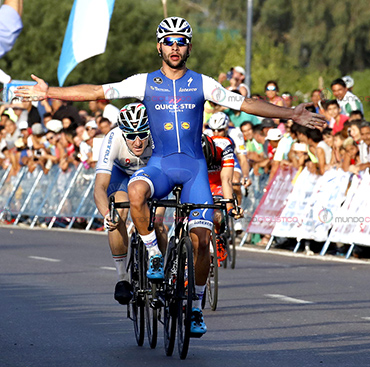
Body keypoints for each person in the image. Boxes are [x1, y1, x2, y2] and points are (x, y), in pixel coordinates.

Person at [15, 16, 325, 336]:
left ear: (188, 47)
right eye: (169, 41)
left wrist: (291, 113)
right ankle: (152, 254)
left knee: (202, 242)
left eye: (180, 42)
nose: (174, 47)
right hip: (160, 165)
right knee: (135, 193)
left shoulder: (203, 83)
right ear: (159, 46)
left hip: (194, 171)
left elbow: (245, 102)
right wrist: (51, 91)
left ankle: (194, 308)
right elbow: (96, 90)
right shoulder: (143, 82)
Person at [94, 102, 166, 305]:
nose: (137, 141)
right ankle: (122, 279)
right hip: (122, 177)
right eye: (131, 136)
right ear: (122, 133)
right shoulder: (113, 138)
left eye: (142, 134)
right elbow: (99, 186)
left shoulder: (159, 135)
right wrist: (106, 214)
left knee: (158, 222)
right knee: (118, 215)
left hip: (152, 177)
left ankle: (159, 276)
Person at [204, 112, 250, 234]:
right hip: (215, 163)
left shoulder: (235, 133)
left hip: (230, 159)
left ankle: (236, 214)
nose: (216, 133)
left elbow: (242, 157)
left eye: (219, 130)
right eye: (213, 130)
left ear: (226, 128)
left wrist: (246, 176)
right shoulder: (207, 134)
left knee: (234, 180)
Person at [201, 134, 243, 264]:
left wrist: (230, 206)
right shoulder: (189, 150)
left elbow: (227, 180)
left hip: (217, 183)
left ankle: (218, 235)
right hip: (199, 182)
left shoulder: (225, 146)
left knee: (217, 209)